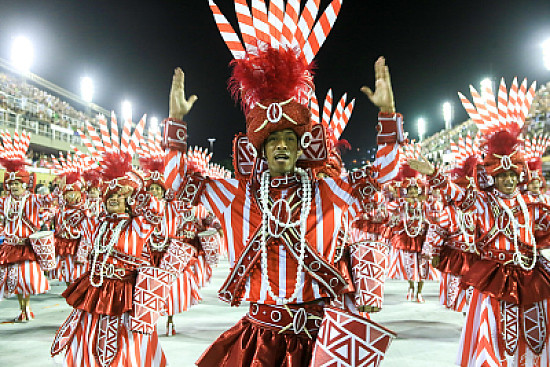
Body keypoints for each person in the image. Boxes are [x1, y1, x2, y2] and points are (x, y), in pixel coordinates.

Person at [410, 78, 550, 366]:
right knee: (492, 333)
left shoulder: (532, 204)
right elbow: (458, 196)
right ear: (494, 177)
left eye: (513, 175)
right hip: (494, 277)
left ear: (520, 175)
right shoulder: (483, 201)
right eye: (503, 176)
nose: (509, 180)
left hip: (530, 275)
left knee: (535, 335)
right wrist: (434, 174)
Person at [51, 119, 169, 367]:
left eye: (119, 196)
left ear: (128, 200)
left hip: (125, 291)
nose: (114, 200)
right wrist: (69, 188)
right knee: (88, 339)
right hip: (96, 286)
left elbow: (156, 210)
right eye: (110, 196)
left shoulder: (138, 225)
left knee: (125, 347)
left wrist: (134, 187)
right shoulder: (97, 223)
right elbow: (73, 215)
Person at [0, 132, 57, 321]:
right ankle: (22, 308)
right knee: (14, 279)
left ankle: (27, 307)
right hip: (10, 246)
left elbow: (50, 199)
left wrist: (59, 187)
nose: (15, 186)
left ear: (24, 185)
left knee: (26, 279)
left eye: (18, 184)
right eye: (12, 183)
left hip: (27, 245)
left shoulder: (32, 199)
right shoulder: (4, 202)